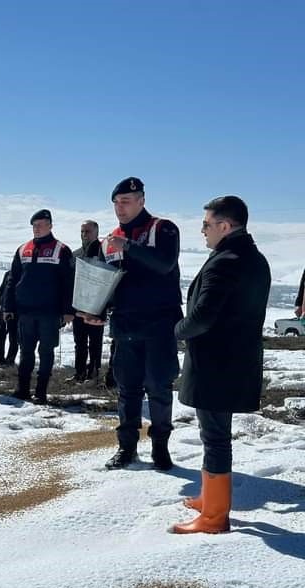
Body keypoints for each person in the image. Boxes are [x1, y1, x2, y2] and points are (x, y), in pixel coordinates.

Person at [171, 196, 270, 534]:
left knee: (214, 437)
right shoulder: (254, 258)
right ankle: (209, 498)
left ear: (225, 226)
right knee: (213, 434)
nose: (203, 231)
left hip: (215, 365)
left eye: (206, 225)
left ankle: (213, 516)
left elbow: (201, 318)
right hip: (235, 362)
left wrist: (176, 330)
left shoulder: (225, 260)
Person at [80, 178, 182, 470]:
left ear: (141, 200)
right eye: (116, 203)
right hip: (125, 325)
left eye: (126, 201)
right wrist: (96, 311)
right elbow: (106, 283)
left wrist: (130, 246)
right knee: (128, 389)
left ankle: (160, 448)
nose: (119, 208)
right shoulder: (109, 239)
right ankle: (126, 448)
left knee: (159, 387)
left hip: (159, 323)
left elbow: (164, 264)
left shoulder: (163, 228)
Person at [3, 209, 75, 404]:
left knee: (46, 352)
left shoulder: (61, 250)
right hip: (25, 311)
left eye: (41, 225)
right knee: (25, 351)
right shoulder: (23, 249)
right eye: (34, 225)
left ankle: (41, 392)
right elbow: (12, 280)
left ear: (50, 226)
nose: (37, 229)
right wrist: (7, 306)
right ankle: (22, 389)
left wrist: (68, 310)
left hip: (49, 313)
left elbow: (69, 282)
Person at [70, 220, 104, 382]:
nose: (84, 235)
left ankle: (94, 373)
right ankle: (79, 373)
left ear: (96, 233)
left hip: (97, 306)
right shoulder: (75, 254)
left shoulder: (103, 252)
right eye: (82, 231)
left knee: (95, 342)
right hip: (78, 305)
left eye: (88, 231)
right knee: (80, 342)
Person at [0, 270, 18, 366]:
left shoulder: (25, 273)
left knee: (14, 336)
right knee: (0, 335)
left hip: (16, 310)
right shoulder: (8, 274)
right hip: (3, 309)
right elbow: (2, 290)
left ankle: (10, 360)